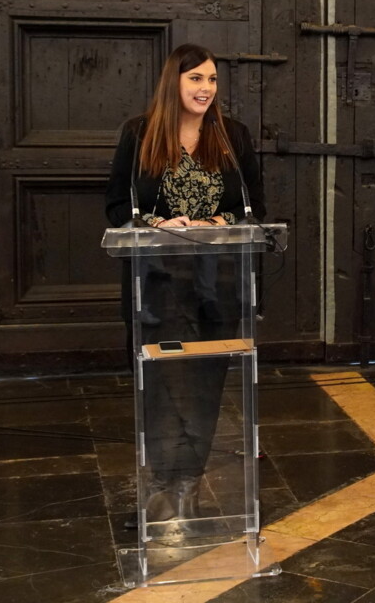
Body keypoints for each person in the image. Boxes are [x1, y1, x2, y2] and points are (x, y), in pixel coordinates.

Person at [104, 43, 265, 522]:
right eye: (196, 79)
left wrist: (220, 221)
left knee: (204, 382)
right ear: (174, 81)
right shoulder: (139, 133)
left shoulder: (233, 136)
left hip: (220, 282)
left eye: (212, 80)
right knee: (164, 382)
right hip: (157, 281)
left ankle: (188, 484)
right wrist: (157, 224)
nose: (206, 89)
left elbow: (253, 206)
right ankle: (158, 484)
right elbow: (117, 206)